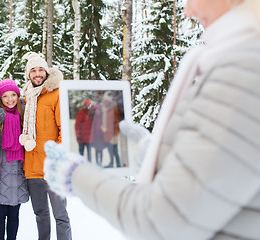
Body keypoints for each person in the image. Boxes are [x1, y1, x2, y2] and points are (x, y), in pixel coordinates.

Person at [43, 0, 260, 240]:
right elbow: (221, 175)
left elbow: (163, 219)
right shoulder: (239, 61)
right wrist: (148, 152)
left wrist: (75, 175)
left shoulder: (242, 70)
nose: (188, 11)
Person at [19, 53, 72, 240]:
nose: (37, 73)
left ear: (46, 72)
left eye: (40, 69)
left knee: (61, 216)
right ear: (28, 75)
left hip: (52, 167)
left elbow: (63, 130)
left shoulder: (56, 93)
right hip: (33, 168)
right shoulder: (26, 97)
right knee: (41, 215)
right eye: (33, 70)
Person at [0, 79, 29, 240]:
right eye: (5, 96)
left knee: (14, 213)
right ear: (0, 99)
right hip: (0, 170)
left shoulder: (24, 116)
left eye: (13, 95)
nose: (10, 99)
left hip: (19, 171)